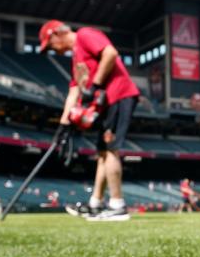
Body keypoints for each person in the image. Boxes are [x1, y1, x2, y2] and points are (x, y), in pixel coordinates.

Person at [38, 19, 139, 222]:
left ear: (56, 34)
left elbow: (110, 53)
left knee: (110, 150)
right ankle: (95, 203)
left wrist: (95, 85)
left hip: (118, 95)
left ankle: (118, 206)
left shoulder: (85, 35)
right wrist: (63, 125)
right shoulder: (77, 59)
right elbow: (74, 92)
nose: (53, 51)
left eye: (50, 46)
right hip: (107, 102)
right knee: (102, 152)